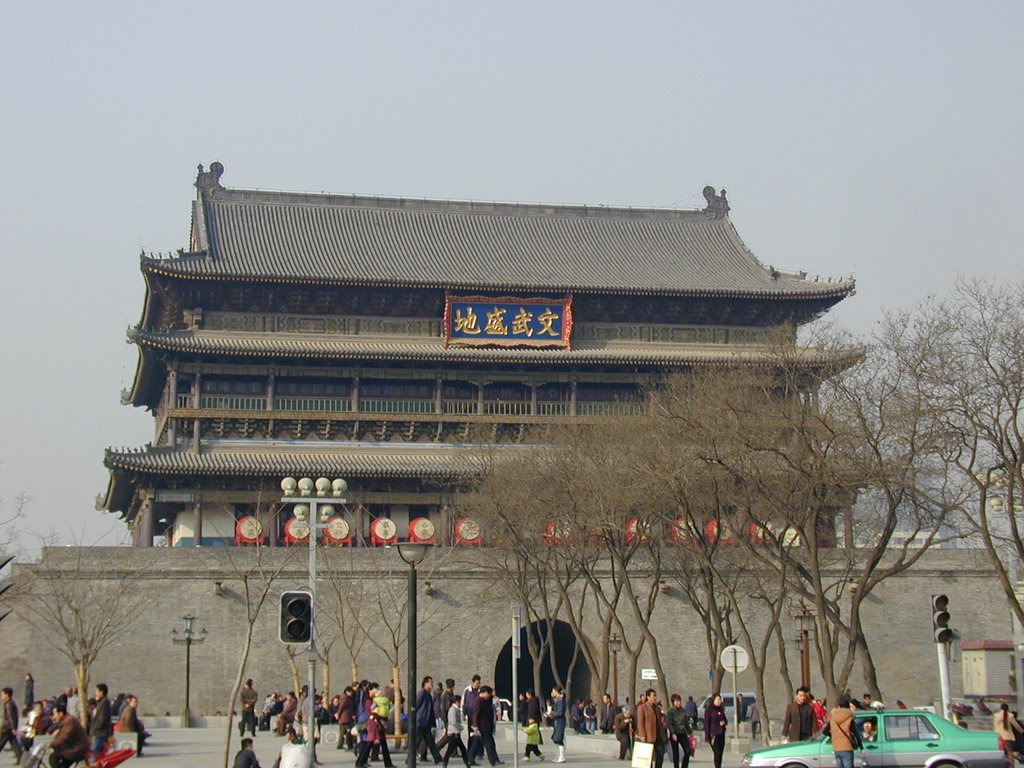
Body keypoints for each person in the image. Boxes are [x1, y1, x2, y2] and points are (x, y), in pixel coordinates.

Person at [48, 702, 89, 768]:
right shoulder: (66, 721)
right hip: (73, 748)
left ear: (61, 713)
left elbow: (64, 736)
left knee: (53, 758)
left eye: (55, 714)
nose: (54, 716)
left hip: (77, 749)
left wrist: (52, 744)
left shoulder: (69, 721)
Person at [468, 685, 501, 767]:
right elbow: (475, 714)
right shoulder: (477, 701)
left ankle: (470, 759)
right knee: (489, 743)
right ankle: (493, 761)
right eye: (488, 694)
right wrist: (475, 725)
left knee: (477, 744)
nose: (489, 696)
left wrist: (491, 695)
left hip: (487, 725)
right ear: (485, 693)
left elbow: (492, 698)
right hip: (482, 726)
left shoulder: (486, 700)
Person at [636, 689, 668, 768]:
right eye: (653, 696)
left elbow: (659, 721)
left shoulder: (657, 707)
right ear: (648, 697)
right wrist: (642, 735)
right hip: (648, 735)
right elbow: (640, 722)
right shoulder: (642, 707)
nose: (655, 698)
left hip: (658, 735)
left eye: (655, 696)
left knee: (660, 754)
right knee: (648, 757)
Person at [416, 677, 444, 763]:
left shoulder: (428, 694)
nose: (432, 685)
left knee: (430, 741)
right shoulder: (422, 693)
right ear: (425, 683)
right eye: (431, 683)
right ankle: (409, 758)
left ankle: (437, 758)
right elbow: (416, 705)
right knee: (416, 741)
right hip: (420, 721)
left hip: (426, 722)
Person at [442, 693, 471, 768]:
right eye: (459, 701)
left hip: (456, 734)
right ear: (457, 701)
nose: (460, 703)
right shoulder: (453, 710)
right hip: (454, 734)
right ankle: (444, 763)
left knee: (463, 750)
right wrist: (461, 727)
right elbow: (454, 722)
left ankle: (467, 764)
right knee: (450, 751)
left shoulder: (455, 709)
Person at [830, 694, 859, 768]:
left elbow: (825, 731)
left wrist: (833, 736)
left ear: (839, 707)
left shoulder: (832, 718)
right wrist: (860, 746)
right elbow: (855, 733)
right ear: (848, 707)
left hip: (836, 748)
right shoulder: (849, 718)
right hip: (847, 747)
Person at [667, 694, 692, 768]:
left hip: (682, 733)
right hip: (674, 734)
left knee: (688, 751)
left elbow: (686, 722)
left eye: (679, 701)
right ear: (673, 702)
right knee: (676, 753)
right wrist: (673, 733)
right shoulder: (670, 711)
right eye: (676, 701)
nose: (678, 703)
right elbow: (669, 723)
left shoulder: (683, 710)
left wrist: (690, 732)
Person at [703, 694, 727, 768]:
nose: (720, 701)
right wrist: (707, 737)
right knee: (717, 753)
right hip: (713, 735)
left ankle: (719, 766)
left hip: (721, 734)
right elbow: (707, 723)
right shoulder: (709, 710)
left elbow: (725, 720)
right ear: (713, 701)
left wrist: (724, 722)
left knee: (720, 754)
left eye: (720, 699)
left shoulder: (721, 709)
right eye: (718, 699)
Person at [89, 683, 113, 756]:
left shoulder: (104, 702)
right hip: (98, 733)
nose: (95, 693)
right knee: (97, 755)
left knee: (94, 755)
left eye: (97, 691)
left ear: (101, 692)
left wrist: (95, 728)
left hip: (100, 733)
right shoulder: (101, 702)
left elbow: (102, 719)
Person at [0, 688, 21, 765]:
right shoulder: (10, 703)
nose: (1, 696)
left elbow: (10, 717)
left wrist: (13, 728)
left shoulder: (8, 704)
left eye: (2, 694)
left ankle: (21, 758)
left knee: (1, 743)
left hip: (7, 728)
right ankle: (21, 758)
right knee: (14, 744)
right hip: (9, 728)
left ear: (7, 695)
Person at [549, 686, 567, 763]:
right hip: (557, 721)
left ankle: (562, 756)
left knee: (558, 738)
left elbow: (560, 712)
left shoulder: (561, 701)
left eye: (553, 691)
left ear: (557, 692)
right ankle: (559, 755)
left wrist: (553, 714)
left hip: (560, 721)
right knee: (555, 738)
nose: (552, 693)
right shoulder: (557, 700)